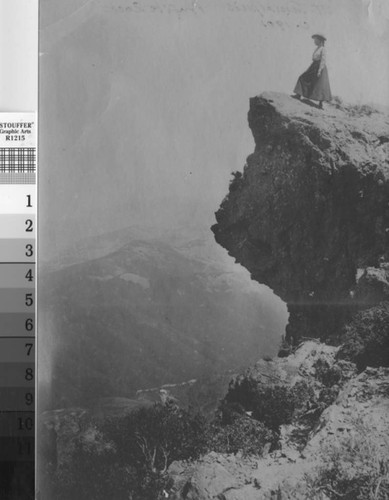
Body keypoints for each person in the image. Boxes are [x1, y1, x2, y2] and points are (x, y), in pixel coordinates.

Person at [292, 33, 332, 109]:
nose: (314, 41)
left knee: (320, 84)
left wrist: (320, 70)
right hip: (314, 66)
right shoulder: (317, 48)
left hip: (320, 66)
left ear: (320, 41)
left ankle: (320, 104)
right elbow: (314, 59)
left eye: (316, 40)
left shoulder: (323, 49)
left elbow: (323, 60)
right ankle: (298, 94)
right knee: (302, 77)